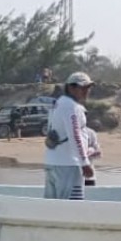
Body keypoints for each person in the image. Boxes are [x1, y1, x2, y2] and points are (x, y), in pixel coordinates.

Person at [44, 72, 95, 200]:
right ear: (71, 88)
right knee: (72, 207)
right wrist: (84, 163)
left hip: (53, 163)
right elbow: (75, 135)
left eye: (88, 87)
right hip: (68, 165)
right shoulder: (71, 107)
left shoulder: (59, 103)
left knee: (52, 208)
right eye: (82, 88)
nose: (86, 91)